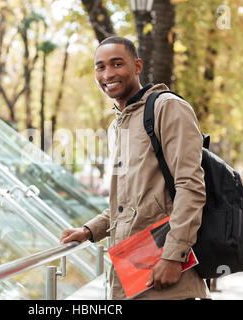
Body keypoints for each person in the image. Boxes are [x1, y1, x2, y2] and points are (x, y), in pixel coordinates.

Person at [60, 36, 210, 300]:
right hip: (132, 274)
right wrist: (88, 231)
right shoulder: (116, 126)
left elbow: (191, 187)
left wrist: (174, 257)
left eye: (117, 64)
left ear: (137, 66)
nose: (108, 74)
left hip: (166, 276)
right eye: (100, 67)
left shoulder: (167, 107)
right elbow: (127, 204)